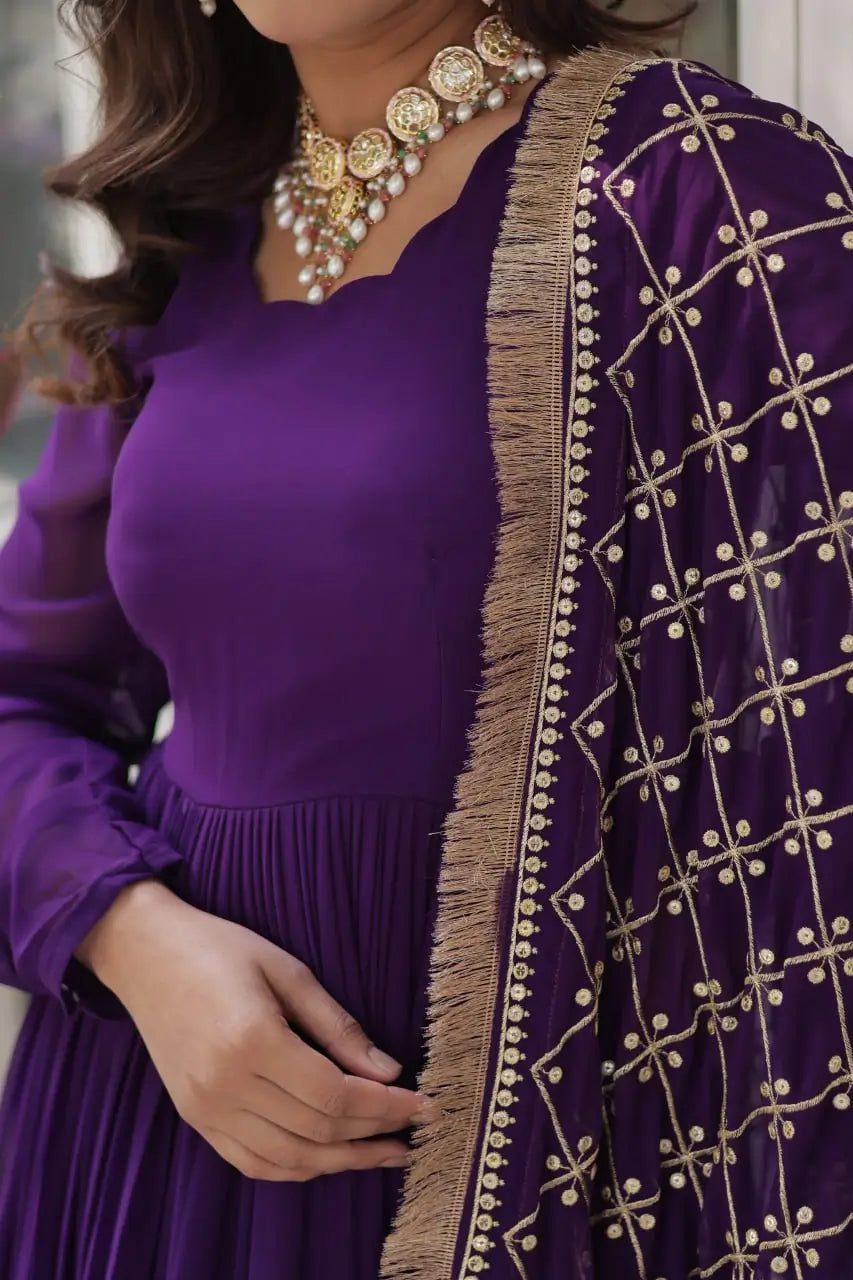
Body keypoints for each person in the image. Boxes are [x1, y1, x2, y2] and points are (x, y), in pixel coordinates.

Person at [2, 0, 853, 1275]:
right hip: (151, 1123)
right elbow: (24, 690)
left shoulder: (697, 196)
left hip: (545, 1147)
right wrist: (127, 932)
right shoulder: (184, 235)